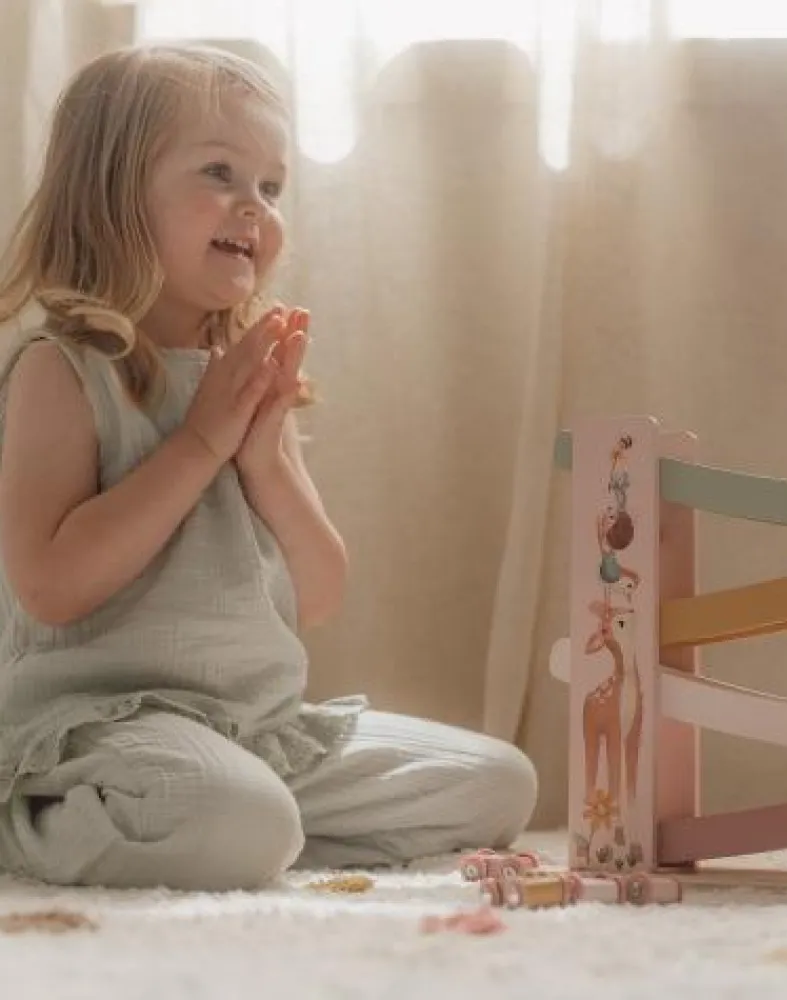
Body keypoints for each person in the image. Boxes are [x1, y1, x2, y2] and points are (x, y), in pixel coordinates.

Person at [0, 43, 536, 891]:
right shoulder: (61, 369)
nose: (254, 207)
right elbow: (52, 587)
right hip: (102, 730)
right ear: (112, 192)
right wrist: (199, 445)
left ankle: (246, 829)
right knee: (227, 811)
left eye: (272, 187)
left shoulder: (242, 372)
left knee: (500, 781)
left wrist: (264, 462)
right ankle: (35, 825)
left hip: (257, 729)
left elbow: (317, 596)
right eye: (220, 173)